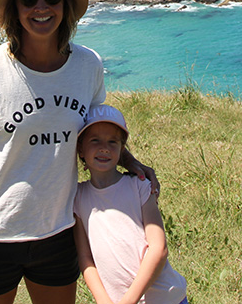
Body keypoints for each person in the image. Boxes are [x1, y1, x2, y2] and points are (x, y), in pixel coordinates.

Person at [0, 0, 155, 304]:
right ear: (15, 8)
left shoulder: (88, 65)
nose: (41, 7)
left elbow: (92, 133)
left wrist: (129, 162)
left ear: (65, 4)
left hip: (58, 230)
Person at [73, 105, 187, 304]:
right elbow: (85, 259)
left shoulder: (140, 186)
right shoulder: (78, 197)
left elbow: (158, 248)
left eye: (112, 141)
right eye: (95, 140)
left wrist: (128, 301)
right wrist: (103, 300)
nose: (104, 148)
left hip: (164, 298)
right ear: (80, 148)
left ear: (122, 148)